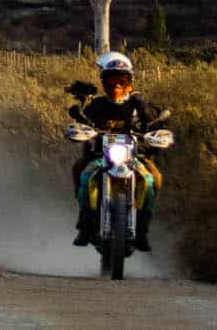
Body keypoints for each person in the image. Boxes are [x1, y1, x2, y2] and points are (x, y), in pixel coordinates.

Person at [68, 51, 166, 252]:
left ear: (129, 82)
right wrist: (81, 120)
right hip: (100, 157)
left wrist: (153, 123)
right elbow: (84, 119)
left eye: (121, 81)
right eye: (112, 82)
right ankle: (85, 223)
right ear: (104, 83)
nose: (117, 87)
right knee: (83, 174)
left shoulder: (137, 105)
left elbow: (152, 119)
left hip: (133, 158)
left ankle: (142, 229)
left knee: (152, 179)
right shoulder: (98, 104)